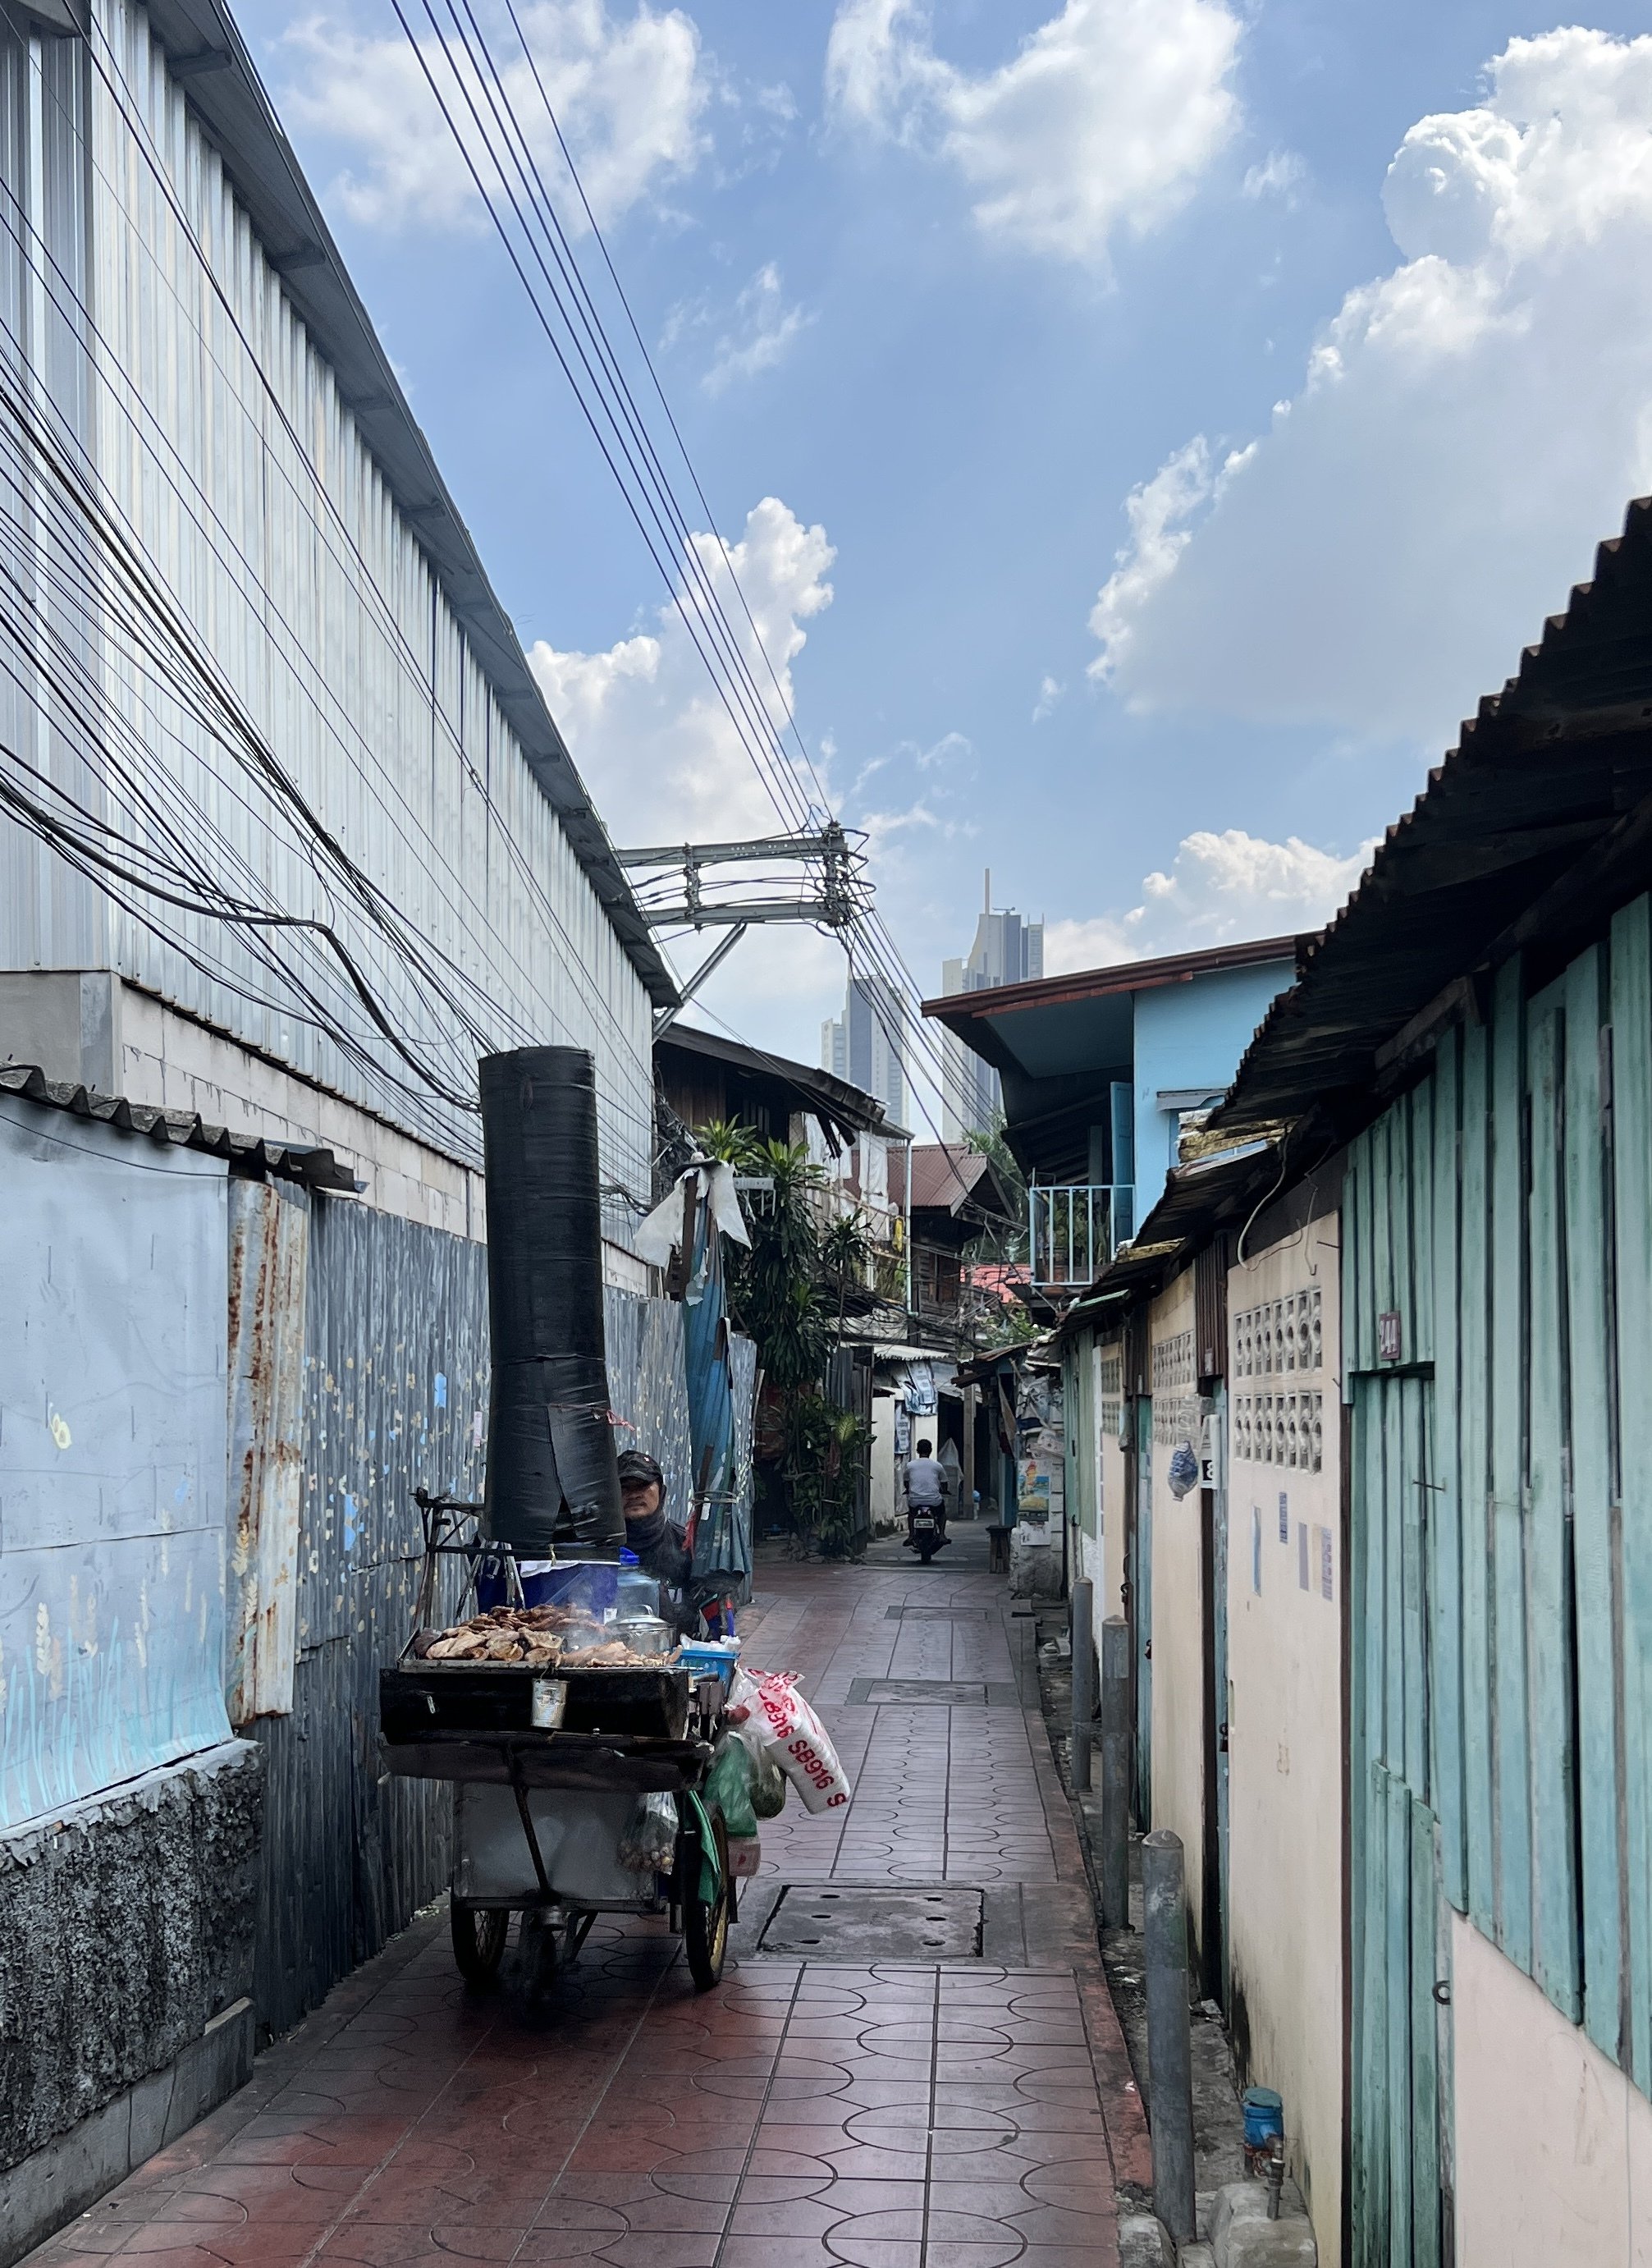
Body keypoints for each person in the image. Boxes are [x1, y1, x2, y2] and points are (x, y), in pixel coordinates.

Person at [617, 1448, 697, 1632]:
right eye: (625, 1487)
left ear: (662, 1492)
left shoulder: (686, 1546)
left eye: (643, 1486)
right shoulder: (597, 1552)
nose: (635, 1494)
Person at [903, 1436, 948, 1546]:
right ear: (931, 1451)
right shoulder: (937, 1466)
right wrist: (945, 1490)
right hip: (934, 1500)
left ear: (917, 1450)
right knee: (941, 1513)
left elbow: (906, 1481)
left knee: (912, 1514)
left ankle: (911, 1535)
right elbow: (944, 1482)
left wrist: (908, 1490)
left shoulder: (910, 1465)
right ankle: (942, 1535)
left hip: (915, 1500)